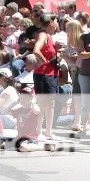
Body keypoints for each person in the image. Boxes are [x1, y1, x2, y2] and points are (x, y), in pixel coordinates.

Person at [32, 12, 61, 141]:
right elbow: (36, 50)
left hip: (51, 74)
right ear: (51, 22)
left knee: (50, 104)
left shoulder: (49, 36)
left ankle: (48, 131)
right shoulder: (43, 35)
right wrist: (44, 61)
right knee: (43, 104)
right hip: (43, 75)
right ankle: (39, 131)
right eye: (56, 21)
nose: (57, 24)